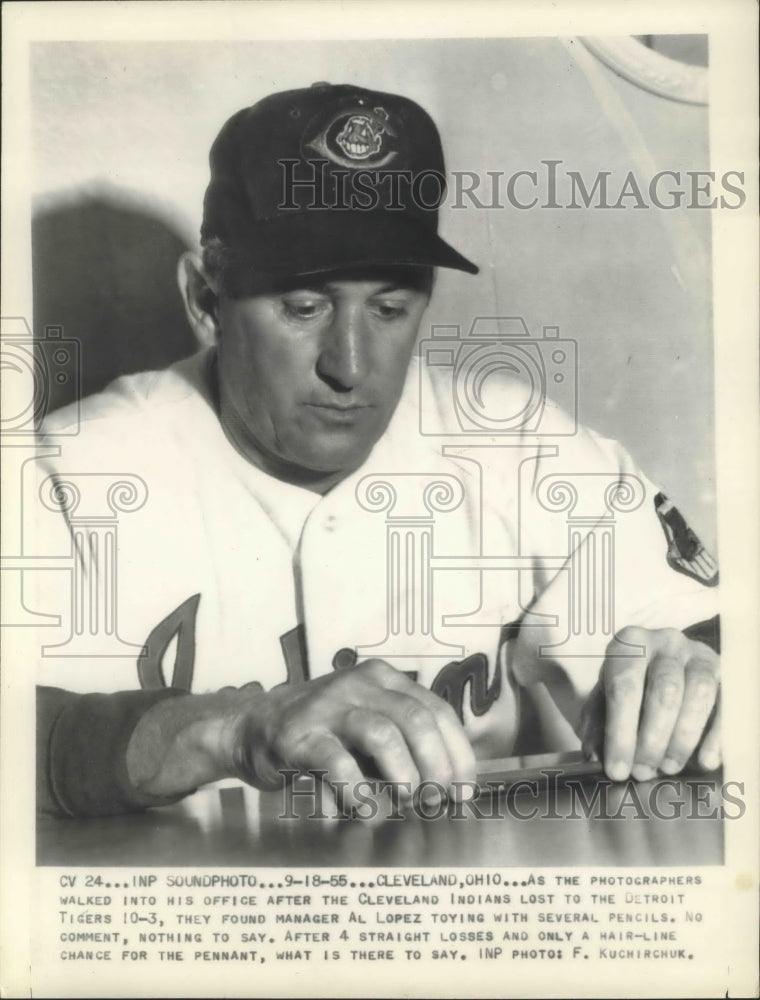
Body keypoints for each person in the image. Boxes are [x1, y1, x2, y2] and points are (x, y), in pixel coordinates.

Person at [34, 83, 720, 818]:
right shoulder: (70, 471)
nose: (351, 364)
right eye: (304, 307)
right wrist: (229, 729)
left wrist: (701, 671)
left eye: (390, 308)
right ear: (206, 301)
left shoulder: (517, 443)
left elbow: (704, 633)